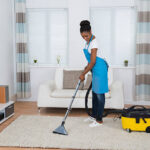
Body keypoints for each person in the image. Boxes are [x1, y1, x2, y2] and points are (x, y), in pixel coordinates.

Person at [79, 20, 109, 127]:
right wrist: (86, 68)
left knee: (100, 94)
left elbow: (93, 61)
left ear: (91, 31)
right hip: (95, 69)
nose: (85, 38)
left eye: (86, 36)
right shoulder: (87, 42)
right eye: (83, 37)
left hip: (100, 68)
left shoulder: (94, 42)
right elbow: (90, 60)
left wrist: (84, 73)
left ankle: (99, 120)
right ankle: (94, 116)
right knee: (95, 93)